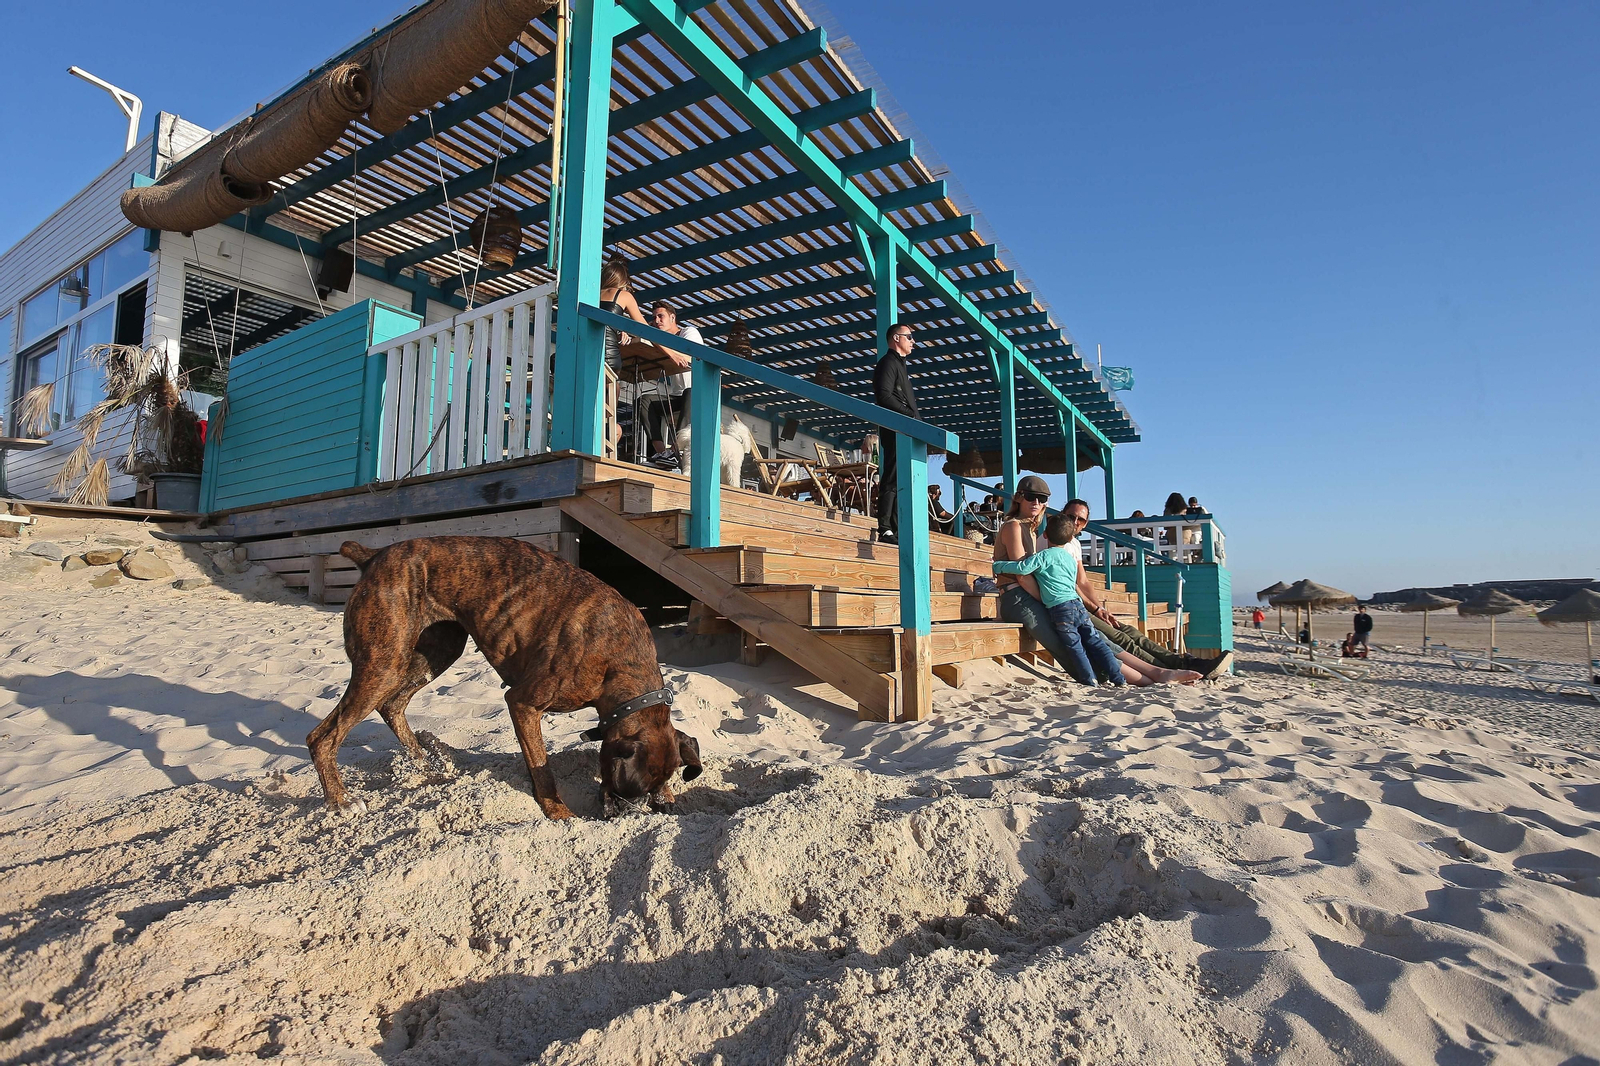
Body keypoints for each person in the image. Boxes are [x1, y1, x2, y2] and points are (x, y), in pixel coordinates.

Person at [992, 477, 1207, 686]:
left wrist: (1092, 609)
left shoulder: (1029, 528)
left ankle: (1155, 673)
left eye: (1042, 498)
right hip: (1018, 598)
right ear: (1019, 497)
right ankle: (1143, 677)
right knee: (1069, 643)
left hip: (1035, 596)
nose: (1037, 503)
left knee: (1098, 637)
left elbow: (1075, 579)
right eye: (1031, 497)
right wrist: (1048, 602)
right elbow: (1022, 574)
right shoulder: (1014, 527)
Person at [992, 514, 1125, 686]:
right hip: (1077, 605)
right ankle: (1118, 678)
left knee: (1074, 645)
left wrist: (998, 565)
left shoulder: (1044, 556)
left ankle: (1089, 679)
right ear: (1071, 538)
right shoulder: (1070, 559)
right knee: (1096, 642)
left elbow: (1022, 568)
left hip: (1060, 608)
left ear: (1045, 535)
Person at [872, 323, 919, 543]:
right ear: (896, 338)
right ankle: (885, 528)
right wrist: (908, 415)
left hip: (905, 430)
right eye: (909, 337)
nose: (913, 341)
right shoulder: (888, 362)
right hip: (895, 428)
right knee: (891, 477)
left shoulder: (901, 365)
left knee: (900, 479)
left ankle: (896, 528)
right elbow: (884, 395)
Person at [599, 259, 650, 456]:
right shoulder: (623, 295)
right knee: (610, 404)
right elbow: (645, 330)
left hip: (586, 354)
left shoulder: (590, 294)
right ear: (622, 280)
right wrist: (671, 352)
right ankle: (608, 437)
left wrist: (620, 329)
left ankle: (602, 435)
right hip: (610, 358)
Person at [640, 301, 697, 465]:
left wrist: (660, 343)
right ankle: (663, 453)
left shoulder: (689, 332)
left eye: (661, 316)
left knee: (690, 392)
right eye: (654, 317)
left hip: (698, 396)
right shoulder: (662, 342)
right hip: (677, 396)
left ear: (673, 317)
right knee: (644, 400)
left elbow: (688, 356)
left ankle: (675, 450)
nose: (657, 321)